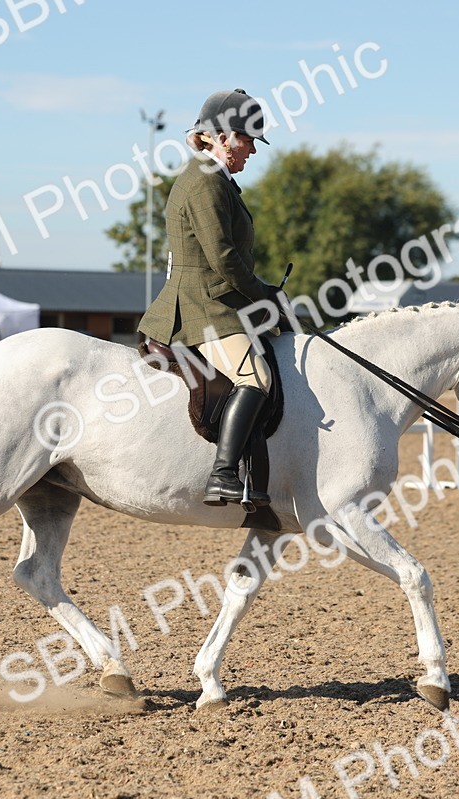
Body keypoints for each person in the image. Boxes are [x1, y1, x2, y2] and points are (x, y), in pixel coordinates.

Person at [137, 88, 283, 507]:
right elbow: (224, 259)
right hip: (202, 308)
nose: (253, 150)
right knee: (256, 377)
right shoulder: (204, 182)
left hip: (214, 301)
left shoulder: (217, 180)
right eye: (248, 139)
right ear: (221, 136)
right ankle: (222, 475)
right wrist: (266, 297)